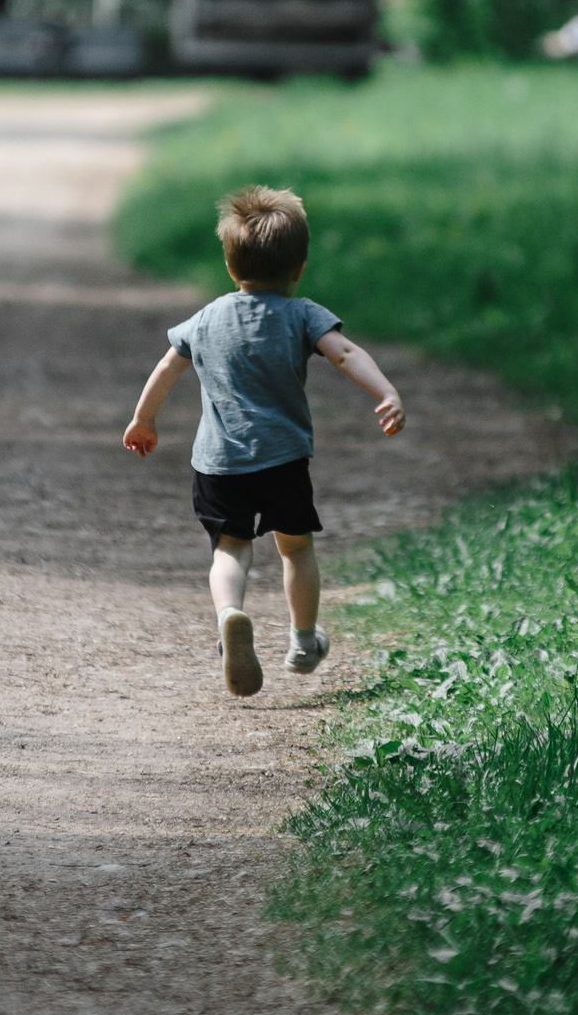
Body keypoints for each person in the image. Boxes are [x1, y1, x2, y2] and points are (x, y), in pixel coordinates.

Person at [122, 185, 404, 696]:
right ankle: (302, 641)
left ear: (231, 268)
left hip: (218, 463)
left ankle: (230, 614)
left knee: (230, 550)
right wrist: (385, 391)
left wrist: (144, 420)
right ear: (299, 267)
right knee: (295, 549)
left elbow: (167, 366)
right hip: (282, 460)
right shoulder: (301, 315)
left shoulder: (206, 317)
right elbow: (343, 353)